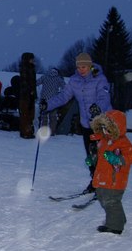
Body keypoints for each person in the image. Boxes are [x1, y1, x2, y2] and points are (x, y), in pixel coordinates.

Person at [40, 52, 112, 192]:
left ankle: (105, 183)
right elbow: (63, 97)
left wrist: (98, 107)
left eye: (84, 67)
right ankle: (95, 181)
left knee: (103, 154)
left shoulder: (100, 79)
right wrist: (47, 105)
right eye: (79, 67)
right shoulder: (74, 81)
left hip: (102, 123)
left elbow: (104, 97)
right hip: (86, 124)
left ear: (90, 65)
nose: (81, 70)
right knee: (90, 156)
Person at [89, 110, 132, 235]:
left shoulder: (123, 142)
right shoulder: (104, 140)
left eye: (108, 129)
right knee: (102, 198)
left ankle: (115, 226)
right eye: (103, 128)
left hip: (115, 179)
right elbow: (99, 156)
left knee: (111, 201)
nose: (105, 131)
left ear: (116, 128)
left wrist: (118, 159)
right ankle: (119, 218)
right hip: (103, 177)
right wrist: (92, 159)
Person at [36, 67, 65, 135]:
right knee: (53, 117)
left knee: (44, 116)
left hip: (44, 100)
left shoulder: (44, 77)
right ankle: (52, 131)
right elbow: (65, 87)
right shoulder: (58, 79)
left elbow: (36, 83)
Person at [19, 52, 36, 139]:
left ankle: (28, 131)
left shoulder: (31, 68)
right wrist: (30, 92)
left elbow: (32, 83)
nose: (33, 60)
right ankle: (25, 132)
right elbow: (25, 83)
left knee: (30, 114)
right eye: (31, 59)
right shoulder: (25, 68)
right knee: (26, 114)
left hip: (30, 95)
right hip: (26, 96)